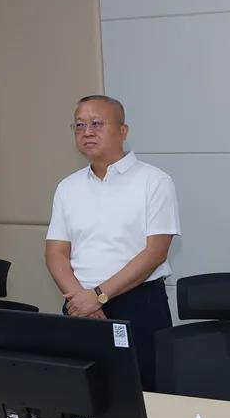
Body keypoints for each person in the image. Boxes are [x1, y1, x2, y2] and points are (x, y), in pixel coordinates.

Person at [46, 95, 181, 391]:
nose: (87, 132)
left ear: (123, 131)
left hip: (138, 303)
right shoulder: (68, 187)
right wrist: (80, 299)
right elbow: (56, 252)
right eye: (79, 125)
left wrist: (99, 296)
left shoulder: (154, 181)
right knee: (81, 395)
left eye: (97, 124)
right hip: (79, 304)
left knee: (147, 396)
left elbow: (155, 252)